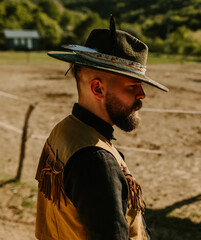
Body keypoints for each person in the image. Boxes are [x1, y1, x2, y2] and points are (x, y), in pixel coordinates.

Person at [34, 15, 168, 240]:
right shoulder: (97, 162)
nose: (142, 95)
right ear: (98, 89)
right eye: (132, 85)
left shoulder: (64, 130)